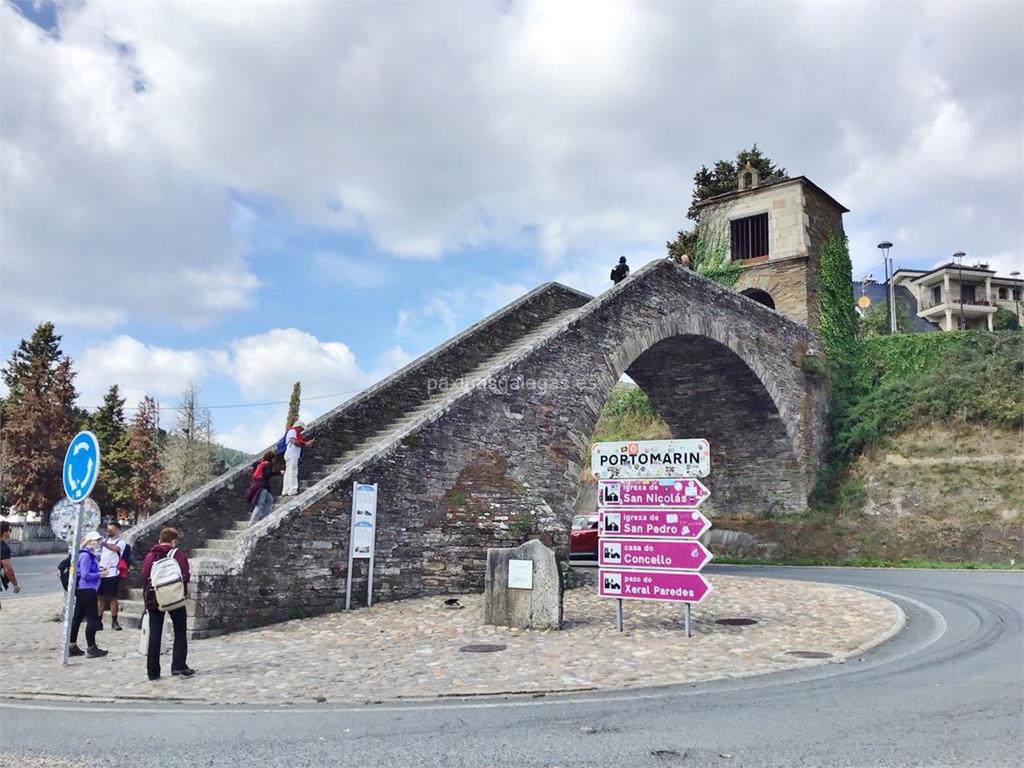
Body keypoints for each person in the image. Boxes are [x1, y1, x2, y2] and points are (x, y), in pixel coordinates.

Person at [141, 527, 194, 680]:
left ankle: (153, 671)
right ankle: (178, 666)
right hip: (174, 598)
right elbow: (185, 575)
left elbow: (145, 576)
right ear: (173, 541)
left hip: (154, 598)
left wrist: (147, 600)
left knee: (155, 634)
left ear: (159, 540)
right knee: (179, 630)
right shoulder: (178, 555)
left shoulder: (150, 556)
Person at [68, 531, 108, 658]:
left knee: (78, 617)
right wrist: (100, 574)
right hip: (88, 589)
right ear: (90, 541)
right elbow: (85, 574)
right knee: (92, 619)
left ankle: (72, 645)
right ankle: (91, 647)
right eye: (96, 541)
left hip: (82, 589)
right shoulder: (86, 556)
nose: (98, 543)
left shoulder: (84, 554)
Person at [97, 522, 126, 631]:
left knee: (113, 598)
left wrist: (103, 543)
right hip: (101, 571)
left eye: (112, 529)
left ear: (117, 530)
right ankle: (98, 621)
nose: (109, 531)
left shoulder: (121, 542)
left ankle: (114, 621)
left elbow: (115, 549)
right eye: (108, 529)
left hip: (112, 573)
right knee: (100, 597)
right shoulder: (106, 541)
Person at [247, 451, 280, 526]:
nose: (274, 460)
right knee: (259, 504)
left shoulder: (261, 464)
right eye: (274, 458)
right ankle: (252, 523)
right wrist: (279, 473)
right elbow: (268, 474)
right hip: (262, 486)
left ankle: (263, 519)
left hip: (257, 485)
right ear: (271, 458)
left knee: (270, 499)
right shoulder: (269, 464)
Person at [282, 421, 314, 496]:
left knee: (288, 473)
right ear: (299, 426)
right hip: (292, 454)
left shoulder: (291, 431)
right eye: (301, 429)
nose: (301, 431)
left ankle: (285, 490)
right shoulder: (293, 431)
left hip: (289, 453)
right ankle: (292, 490)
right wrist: (305, 443)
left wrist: (305, 443)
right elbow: (294, 441)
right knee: (293, 471)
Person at [1, 521, 21, 612]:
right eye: (10, 530)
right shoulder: (3, 548)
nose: (10, 532)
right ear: (5, 532)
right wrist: (15, 585)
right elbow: (8, 569)